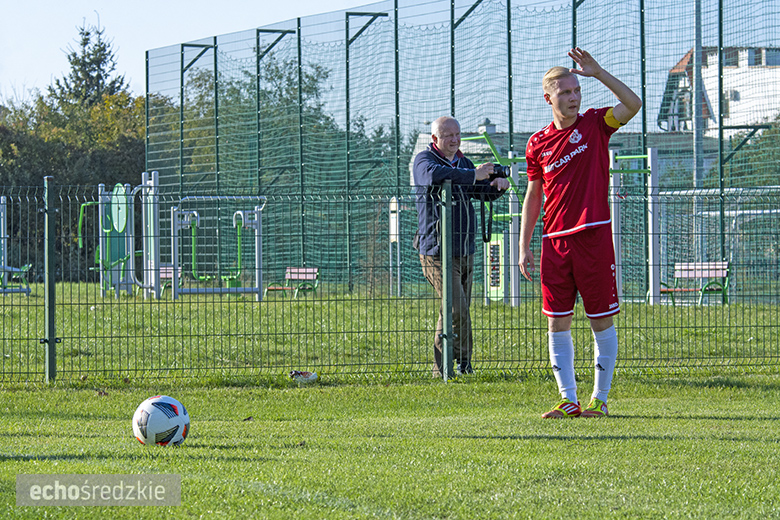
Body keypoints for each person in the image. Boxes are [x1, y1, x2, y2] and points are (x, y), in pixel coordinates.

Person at [519, 48, 642, 417]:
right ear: (548, 98)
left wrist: (599, 73)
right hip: (554, 242)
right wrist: (523, 246)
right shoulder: (536, 143)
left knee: (599, 318)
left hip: (593, 236)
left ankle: (599, 401)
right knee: (557, 322)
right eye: (565, 93)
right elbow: (534, 194)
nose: (574, 98)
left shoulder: (595, 123)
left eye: (576, 91)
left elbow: (633, 104)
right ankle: (567, 399)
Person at [413, 116, 510, 377]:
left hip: (466, 249)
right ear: (435, 139)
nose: (454, 140)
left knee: (455, 309)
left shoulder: (464, 163)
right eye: (448, 135)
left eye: (457, 134)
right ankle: (455, 365)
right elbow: (432, 177)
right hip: (437, 252)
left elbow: (481, 191)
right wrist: (472, 174)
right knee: (456, 308)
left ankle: (451, 366)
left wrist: (499, 186)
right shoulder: (425, 160)